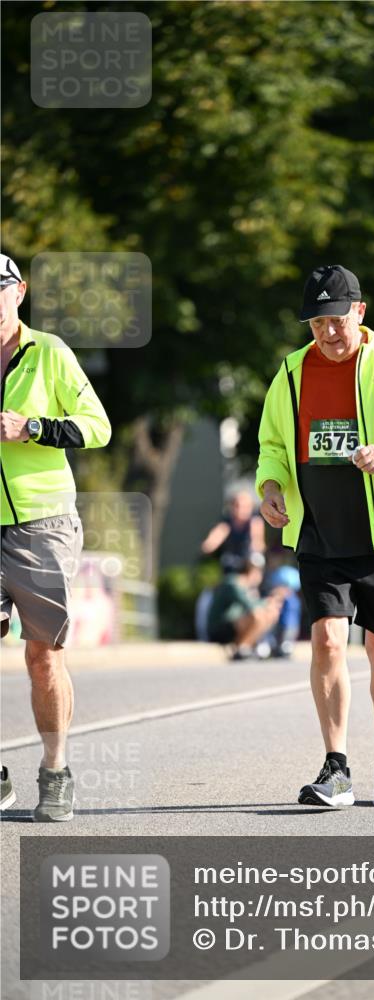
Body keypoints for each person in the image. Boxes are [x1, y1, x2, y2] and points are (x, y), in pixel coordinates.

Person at [256, 264, 374, 807]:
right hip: (320, 529)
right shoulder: (292, 372)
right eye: (317, 323)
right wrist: (270, 486)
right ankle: (335, 766)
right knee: (326, 640)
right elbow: (272, 443)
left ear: (358, 313)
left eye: (336, 320)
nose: (327, 332)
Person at [0, 253, 111, 820]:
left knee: (43, 655)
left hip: (41, 524)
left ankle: (55, 768)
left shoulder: (49, 353)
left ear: (18, 292)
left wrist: (33, 427)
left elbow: (98, 427)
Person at [207, 552, 286, 660]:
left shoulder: (248, 587)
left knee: (272, 612)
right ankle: (242, 648)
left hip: (233, 625)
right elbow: (249, 605)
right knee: (257, 615)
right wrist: (268, 602)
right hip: (220, 628)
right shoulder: (232, 583)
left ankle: (251, 645)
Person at [200, 489, 265, 575]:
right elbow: (212, 541)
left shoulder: (255, 522)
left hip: (248, 568)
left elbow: (257, 543)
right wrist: (209, 545)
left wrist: (254, 554)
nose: (241, 510)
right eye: (237, 506)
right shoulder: (226, 524)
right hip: (229, 566)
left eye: (245, 506)